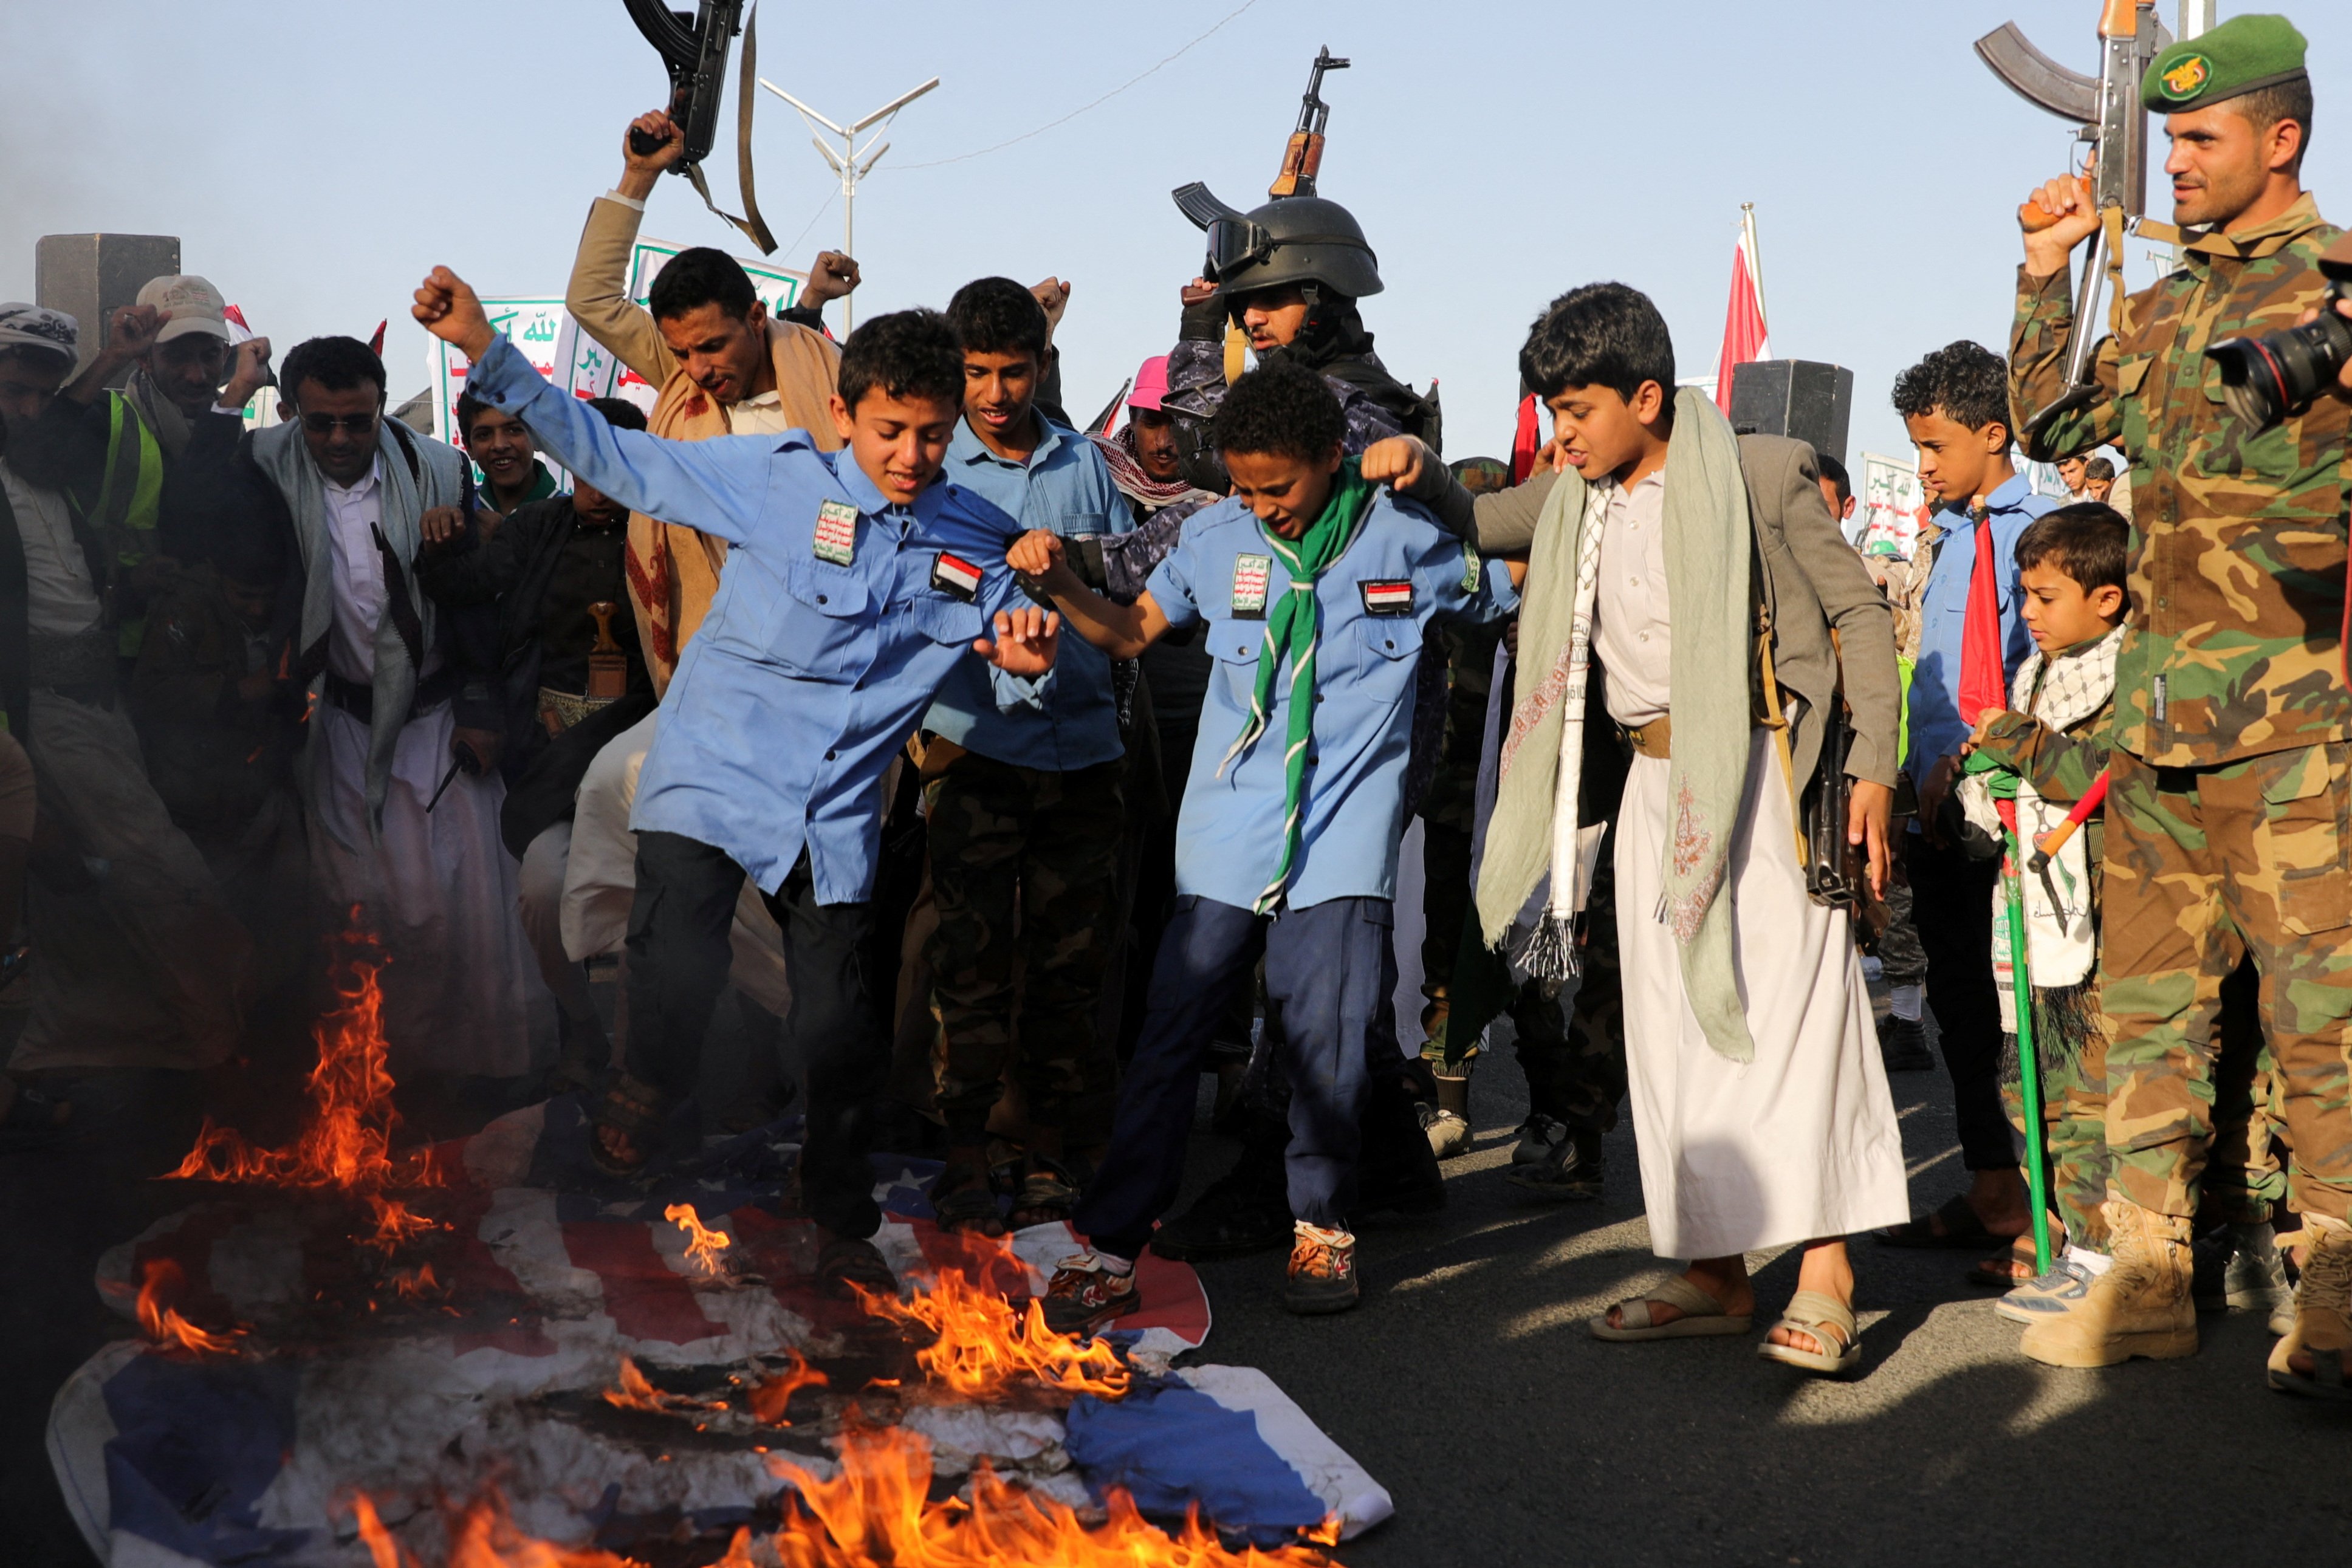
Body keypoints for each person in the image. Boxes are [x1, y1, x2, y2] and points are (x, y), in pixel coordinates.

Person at [414, 267, 1061, 1293]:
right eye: (891, 430)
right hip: (713, 771)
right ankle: (645, 1079)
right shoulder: (774, 476)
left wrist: (1023, 648)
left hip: (833, 814)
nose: (911, 456)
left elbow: (1010, 634)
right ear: (844, 412)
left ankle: (841, 1219)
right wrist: (485, 348)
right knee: (674, 968)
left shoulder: (974, 534)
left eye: (934, 435)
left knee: (835, 1030)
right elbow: (613, 456)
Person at [1369, 281, 1908, 1374]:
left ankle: (1824, 1274)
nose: (1561, 436)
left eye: (1578, 412)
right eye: (1553, 414)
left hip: (1765, 779)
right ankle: (1712, 1270)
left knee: (1797, 1021)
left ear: (1648, 396)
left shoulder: (1763, 473)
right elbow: (1478, 520)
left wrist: (1874, 772)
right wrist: (1419, 470)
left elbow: (1857, 612)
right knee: (1669, 1037)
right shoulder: (1576, 493)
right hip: (1657, 792)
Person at [1019, 358, 1519, 1324]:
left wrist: (1452, 489)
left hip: (1339, 840)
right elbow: (1127, 631)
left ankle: (1322, 1229)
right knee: (1167, 1043)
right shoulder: (1213, 538)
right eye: (1244, 489)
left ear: (1331, 459)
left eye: (1277, 488)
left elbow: (1513, 590)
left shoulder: (1406, 540)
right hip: (1225, 837)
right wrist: (1059, 590)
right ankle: (1114, 1245)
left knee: (1324, 1049)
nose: (1263, 509)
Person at [2007, 13, 2352, 1388]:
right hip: (2158, 734)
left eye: (2201, 137)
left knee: (2324, 1026)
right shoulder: (2155, 303)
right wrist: (2046, 274)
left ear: (2281, 139)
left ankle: (2335, 1292)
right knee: (2152, 1017)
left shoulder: (2338, 289)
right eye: (2171, 136)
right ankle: (2146, 1275)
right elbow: (2047, 428)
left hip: (2299, 735)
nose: (2179, 160)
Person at [1142, 179, 1452, 1261]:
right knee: (1334, 991)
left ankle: (1287, 1186)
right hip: (1321, 725)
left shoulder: (1348, 409)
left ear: (1322, 297)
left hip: (1346, 732)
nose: (1247, 325)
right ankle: (1396, 1169)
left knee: (1308, 988)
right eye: (1236, 312)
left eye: (1264, 305)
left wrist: (1190, 335)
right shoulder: (1319, 391)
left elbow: (1189, 450)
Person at [557, 107, 856, 1063]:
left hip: (826, 690)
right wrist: (636, 177)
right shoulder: (684, 391)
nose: (698, 371)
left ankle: (808, 1064)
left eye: (716, 348)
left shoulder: (839, 386)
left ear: (761, 321)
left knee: (803, 875)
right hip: (710, 676)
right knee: (614, 789)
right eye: (680, 352)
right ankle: (627, 1033)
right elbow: (593, 302)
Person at [235, 334, 539, 1082]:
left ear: (380, 409)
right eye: (321, 423)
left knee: (457, 904)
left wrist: (479, 708)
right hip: (336, 726)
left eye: (357, 421)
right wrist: (226, 389)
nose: (340, 439)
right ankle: (372, 1081)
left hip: (439, 725)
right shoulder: (266, 468)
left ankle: (466, 1078)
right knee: (356, 906)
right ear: (289, 414)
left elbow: (474, 607)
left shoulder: (435, 470)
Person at [918, 278, 1131, 1231]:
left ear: (1043, 366)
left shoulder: (1088, 465)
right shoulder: (932, 475)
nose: (995, 394)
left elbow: (1125, 596)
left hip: (1082, 755)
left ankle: (1044, 1150)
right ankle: (964, 1150)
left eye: (1013, 371)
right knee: (967, 964)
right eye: (976, 374)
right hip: (974, 751)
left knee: (1068, 965)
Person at [0, 303, 251, 1075]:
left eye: (45, 393)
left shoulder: (49, 467)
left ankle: (56, 1057)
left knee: (80, 892)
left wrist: (132, 583)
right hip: (33, 708)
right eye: (14, 392)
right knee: (157, 868)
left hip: (98, 700)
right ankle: (222, 1041)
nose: (31, 409)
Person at [1874, 341, 2059, 1255]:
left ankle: (2052, 1207)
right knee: (1959, 1008)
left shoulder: (2047, 528)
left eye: (1936, 447)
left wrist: (1982, 756)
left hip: (2016, 808)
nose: (1923, 469)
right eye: (1913, 449)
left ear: (1995, 434)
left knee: (2032, 1009)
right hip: (1939, 811)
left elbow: (2044, 667)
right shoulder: (1946, 537)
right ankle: (1991, 1187)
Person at [416, 397, 657, 1092]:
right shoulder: (538, 530)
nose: (598, 480)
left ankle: (633, 1070)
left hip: (648, 766)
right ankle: (580, 1024)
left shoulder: (668, 538)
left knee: (649, 915)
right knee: (545, 895)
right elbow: (463, 585)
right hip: (553, 767)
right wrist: (442, 535)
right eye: (587, 460)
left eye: (616, 464)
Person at [1951, 504, 2130, 1307]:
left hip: (2101, 919)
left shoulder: (2128, 676)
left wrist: (2012, 739)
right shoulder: (2035, 675)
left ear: (2106, 599)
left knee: (2087, 1093)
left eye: (2044, 596)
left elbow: (2091, 777)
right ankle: (2053, 1227)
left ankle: (2100, 1256)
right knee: (2030, 1091)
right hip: (2028, 907)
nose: (2024, 613)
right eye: (2021, 594)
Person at [7, 277, 272, 662]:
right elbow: (31, 457)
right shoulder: (106, 421)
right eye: (178, 356)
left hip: (203, 662)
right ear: (145, 358)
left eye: (209, 356)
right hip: (117, 658)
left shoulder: (241, 440)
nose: (197, 375)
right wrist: (111, 356)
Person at [453, 393, 560, 524]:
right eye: (484, 435)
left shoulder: (572, 516)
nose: (499, 445)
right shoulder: (460, 517)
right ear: (469, 447)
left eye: (514, 430)